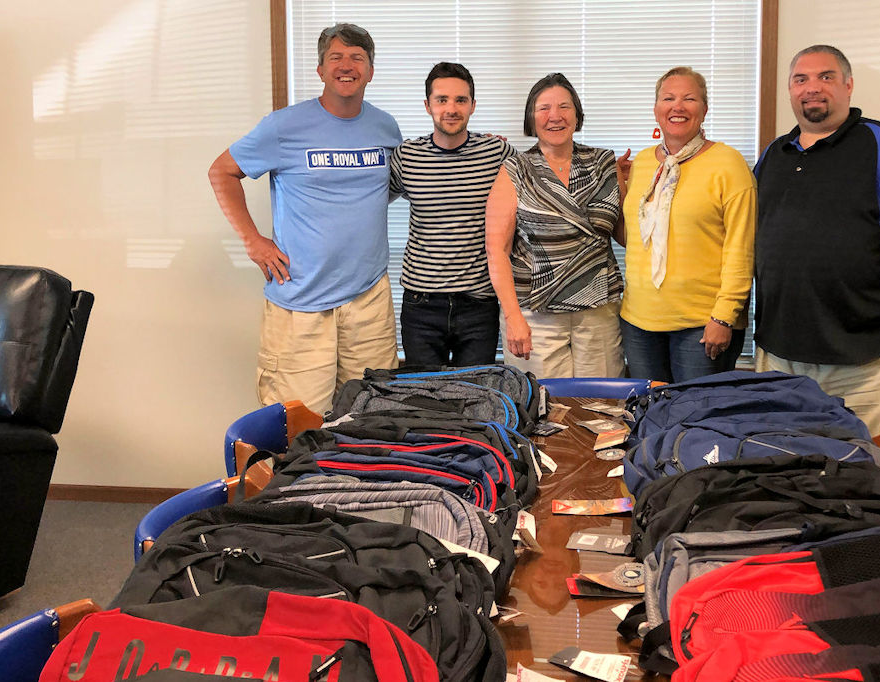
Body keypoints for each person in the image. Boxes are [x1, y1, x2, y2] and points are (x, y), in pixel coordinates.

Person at [208, 23, 402, 416]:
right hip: (300, 303)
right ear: (319, 69)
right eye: (336, 57)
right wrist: (253, 240)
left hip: (368, 301)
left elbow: (392, 184)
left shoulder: (385, 127)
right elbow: (222, 172)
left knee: (372, 417)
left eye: (357, 58)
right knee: (297, 425)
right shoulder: (283, 127)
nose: (346, 65)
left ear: (370, 70)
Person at [754, 45, 880, 435]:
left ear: (849, 85)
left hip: (868, 357)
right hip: (781, 353)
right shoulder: (774, 154)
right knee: (787, 469)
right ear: (790, 90)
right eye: (800, 79)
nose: (812, 88)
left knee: (875, 472)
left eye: (826, 77)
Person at [617, 66, 756, 383]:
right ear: (656, 110)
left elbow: (741, 247)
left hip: (702, 325)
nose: (677, 106)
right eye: (668, 98)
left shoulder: (728, 164)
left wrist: (724, 316)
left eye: (689, 99)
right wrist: (618, 185)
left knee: (695, 421)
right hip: (639, 321)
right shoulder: (641, 164)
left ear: (704, 109)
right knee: (650, 418)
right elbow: (637, 240)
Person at [485, 73, 624, 379]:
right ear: (531, 118)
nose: (555, 116)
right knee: (545, 411)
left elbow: (626, 235)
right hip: (535, 317)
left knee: (602, 411)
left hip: (598, 312)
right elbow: (497, 250)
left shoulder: (604, 163)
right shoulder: (516, 168)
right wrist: (513, 317)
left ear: (577, 114)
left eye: (564, 107)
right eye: (544, 108)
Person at [390, 62, 515, 366]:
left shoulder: (496, 153)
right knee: (424, 400)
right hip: (421, 304)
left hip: (478, 303)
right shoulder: (407, 157)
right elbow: (371, 201)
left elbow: (538, 181)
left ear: (473, 105)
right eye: (441, 100)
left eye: (460, 100)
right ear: (427, 105)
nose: (451, 108)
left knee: (477, 399)